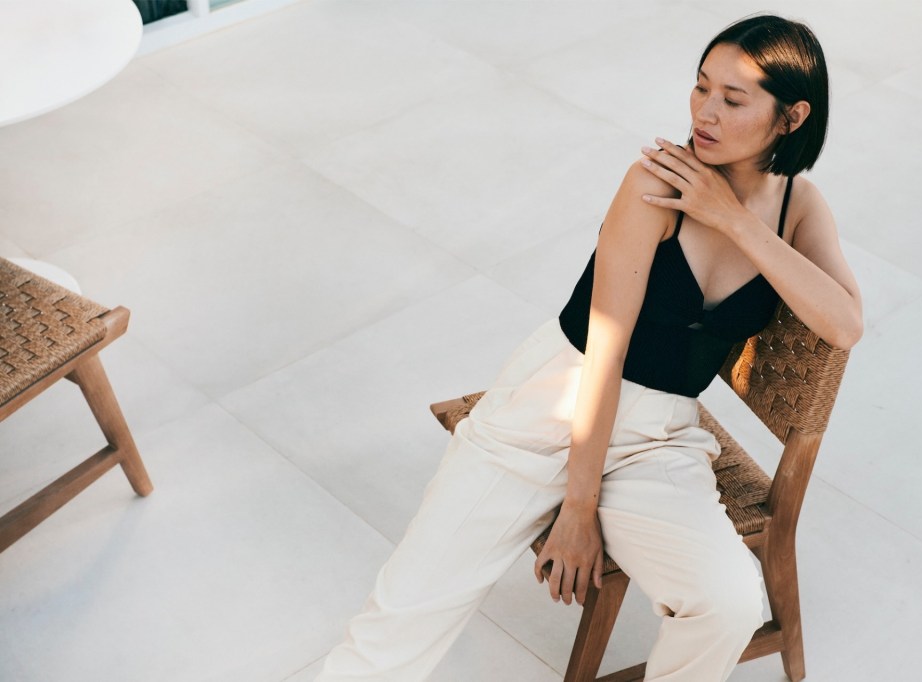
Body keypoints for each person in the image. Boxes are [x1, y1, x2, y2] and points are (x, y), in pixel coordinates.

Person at [317, 14, 862, 682]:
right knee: (402, 616)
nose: (705, 112)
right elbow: (604, 354)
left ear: (792, 117)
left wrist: (732, 219)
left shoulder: (797, 206)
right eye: (700, 88)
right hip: (551, 408)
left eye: (732, 98)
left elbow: (844, 323)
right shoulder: (653, 185)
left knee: (726, 603)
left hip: (659, 439)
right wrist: (578, 512)